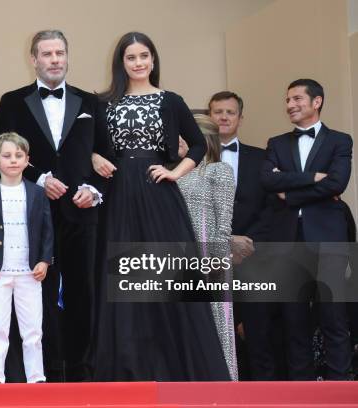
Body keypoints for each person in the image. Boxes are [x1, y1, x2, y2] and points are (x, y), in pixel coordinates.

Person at [91, 32, 229, 381]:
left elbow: (198, 145)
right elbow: (90, 145)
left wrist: (173, 172)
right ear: (120, 63)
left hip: (158, 194)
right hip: (119, 193)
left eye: (144, 56)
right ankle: (129, 371)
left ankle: (177, 369)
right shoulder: (105, 103)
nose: (138, 63)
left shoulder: (171, 100)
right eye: (131, 57)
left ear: (153, 59)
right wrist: (94, 157)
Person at [0, 30, 109, 381]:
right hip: (30, 213)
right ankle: (42, 373)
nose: (55, 59)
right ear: (34, 59)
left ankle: (81, 372)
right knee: (34, 292)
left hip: (81, 211)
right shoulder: (12, 101)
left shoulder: (90, 102)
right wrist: (40, 178)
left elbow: (106, 156)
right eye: (47, 53)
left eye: (60, 52)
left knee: (82, 291)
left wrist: (94, 187)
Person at [260, 78, 352, 380]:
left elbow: (337, 183)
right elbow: (269, 182)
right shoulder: (276, 143)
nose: (290, 105)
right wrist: (314, 177)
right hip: (287, 242)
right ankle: (301, 391)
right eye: (287, 100)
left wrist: (292, 192)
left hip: (329, 241)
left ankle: (341, 390)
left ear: (317, 102)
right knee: (293, 320)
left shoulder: (340, 140)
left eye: (297, 99)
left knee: (334, 318)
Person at [0, 132, 53, 383]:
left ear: (28, 159)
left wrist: (44, 260)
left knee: (33, 329)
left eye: (19, 155)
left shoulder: (37, 193)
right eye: (6, 156)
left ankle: (36, 378)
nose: (13, 160)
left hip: (30, 271)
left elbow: (47, 230)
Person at [208, 91, 273, 380]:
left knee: (260, 334)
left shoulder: (262, 158)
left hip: (253, 257)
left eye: (230, 112)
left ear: (240, 118)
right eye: (217, 111)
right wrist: (224, 242)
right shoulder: (193, 161)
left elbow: (272, 208)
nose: (223, 117)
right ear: (209, 117)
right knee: (215, 335)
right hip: (210, 258)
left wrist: (246, 242)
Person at [176, 114, 237, 380]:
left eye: (182, 136)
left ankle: (224, 382)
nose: (176, 141)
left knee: (216, 321)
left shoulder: (218, 170)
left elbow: (224, 224)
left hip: (208, 256)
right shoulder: (175, 170)